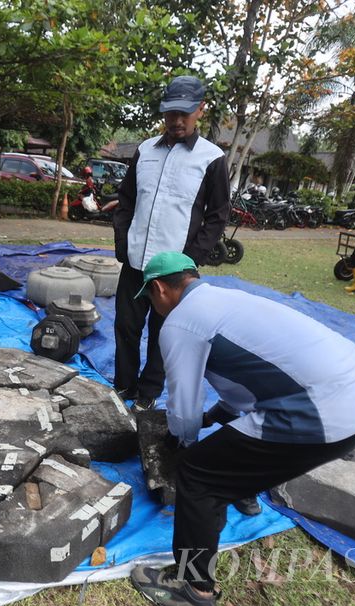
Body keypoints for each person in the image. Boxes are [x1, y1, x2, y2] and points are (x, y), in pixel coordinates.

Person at [128, 251, 355, 606]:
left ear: (159, 288)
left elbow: (183, 405)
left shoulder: (182, 322)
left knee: (197, 475)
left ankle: (195, 591)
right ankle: (231, 497)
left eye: (150, 300)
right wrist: (215, 420)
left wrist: (182, 445)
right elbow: (243, 390)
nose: (154, 308)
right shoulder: (227, 301)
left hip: (323, 411)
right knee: (223, 462)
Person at [112, 75, 230, 413]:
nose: (177, 121)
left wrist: (190, 260)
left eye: (185, 113)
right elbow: (126, 201)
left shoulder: (211, 158)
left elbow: (218, 215)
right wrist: (123, 242)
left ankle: (148, 393)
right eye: (170, 113)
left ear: (200, 110)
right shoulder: (145, 150)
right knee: (126, 327)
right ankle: (124, 385)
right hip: (135, 263)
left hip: (175, 272)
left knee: (165, 333)